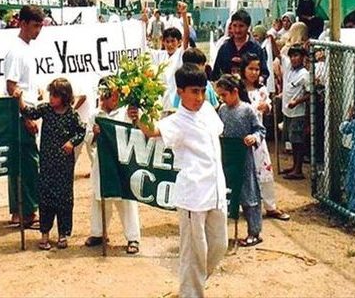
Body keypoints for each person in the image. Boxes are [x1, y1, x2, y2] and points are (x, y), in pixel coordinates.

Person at [129, 63, 228, 297]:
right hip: (193, 194)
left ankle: (192, 285)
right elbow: (152, 131)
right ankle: (190, 293)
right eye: (194, 91)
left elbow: (219, 131)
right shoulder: (176, 121)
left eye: (203, 91)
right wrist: (137, 116)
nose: (199, 97)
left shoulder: (209, 111)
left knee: (219, 245)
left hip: (216, 190)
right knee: (194, 252)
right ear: (180, 91)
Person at [16, 78, 86, 250]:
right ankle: (45, 234)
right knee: (45, 198)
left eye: (55, 96)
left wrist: (72, 142)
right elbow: (30, 113)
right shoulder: (46, 110)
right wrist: (19, 99)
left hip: (64, 166)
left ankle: (63, 234)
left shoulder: (71, 115)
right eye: (50, 95)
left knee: (64, 199)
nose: (51, 99)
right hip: (47, 164)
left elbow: (81, 130)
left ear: (64, 96)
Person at [84, 77, 141, 254]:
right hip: (102, 164)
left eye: (116, 96)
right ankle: (98, 233)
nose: (113, 99)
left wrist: (136, 119)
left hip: (123, 164)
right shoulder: (95, 116)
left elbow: (138, 132)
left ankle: (133, 237)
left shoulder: (127, 112)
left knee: (127, 200)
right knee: (99, 198)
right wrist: (94, 134)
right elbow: (88, 140)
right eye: (109, 96)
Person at [4, 5, 46, 227]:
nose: (38, 30)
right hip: (21, 114)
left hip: (30, 107)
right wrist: (26, 116)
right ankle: (27, 212)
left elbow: (25, 84)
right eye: (34, 26)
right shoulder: (16, 51)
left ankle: (21, 211)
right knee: (28, 164)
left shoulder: (28, 48)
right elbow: (12, 87)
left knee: (24, 163)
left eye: (40, 26)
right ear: (22, 24)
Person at [215, 74, 266, 246]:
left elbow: (260, 130)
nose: (222, 98)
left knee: (248, 192)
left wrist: (253, 137)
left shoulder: (247, 110)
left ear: (235, 91)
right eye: (220, 95)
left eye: (224, 94)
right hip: (226, 156)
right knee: (228, 191)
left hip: (244, 157)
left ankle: (254, 232)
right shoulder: (222, 110)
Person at [239, 54, 290, 221]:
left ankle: (271, 206)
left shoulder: (261, 90)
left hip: (258, 139)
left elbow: (268, 107)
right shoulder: (238, 90)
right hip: (241, 137)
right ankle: (243, 206)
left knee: (264, 171)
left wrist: (266, 107)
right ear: (243, 70)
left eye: (257, 69)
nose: (254, 72)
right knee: (243, 173)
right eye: (250, 69)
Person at [278, 45, 310, 180]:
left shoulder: (305, 74)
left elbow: (309, 94)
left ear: (303, 58)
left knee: (298, 142)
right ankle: (294, 166)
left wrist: (296, 102)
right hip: (287, 112)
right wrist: (271, 39)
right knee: (291, 140)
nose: (293, 59)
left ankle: (298, 170)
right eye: (292, 56)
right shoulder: (288, 69)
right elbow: (278, 54)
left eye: (297, 56)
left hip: (298, 113)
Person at [211, 9, 269, 82]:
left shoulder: (256, 48)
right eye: (234, 26)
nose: (237, 30)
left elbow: (264, 73)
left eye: (241, 26)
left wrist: (256, 81)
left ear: (248, 27)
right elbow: (216, 73)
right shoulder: (224, 47)